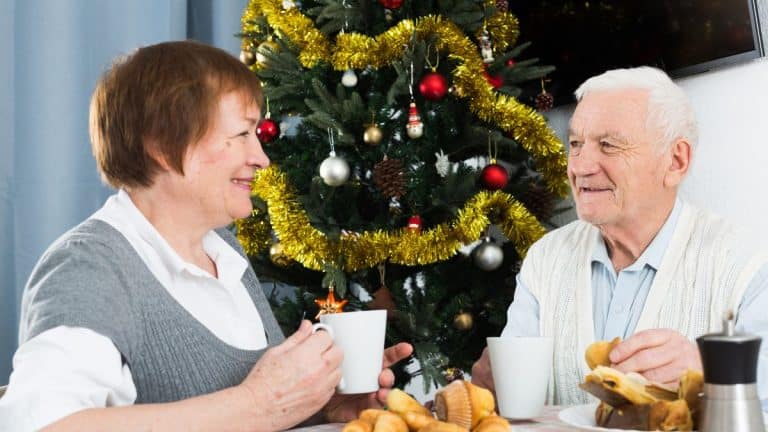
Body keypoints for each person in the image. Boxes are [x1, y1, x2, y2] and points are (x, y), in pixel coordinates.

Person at [0, 40, 412, 431]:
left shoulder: (224, 254)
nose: (261, 158)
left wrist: (319, 407)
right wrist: (259, 405)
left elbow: (250, 415)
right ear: (162, 146)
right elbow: (40, 424)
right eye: (240, 135)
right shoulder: (91, 267)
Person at [471, 66, 768, 406]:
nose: (580, 166)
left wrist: (711, 372)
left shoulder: (747, 264)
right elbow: (515, 405)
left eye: (608, 145)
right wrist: (490, 393)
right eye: (576, 144)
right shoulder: (546, 259)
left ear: (675, 161)